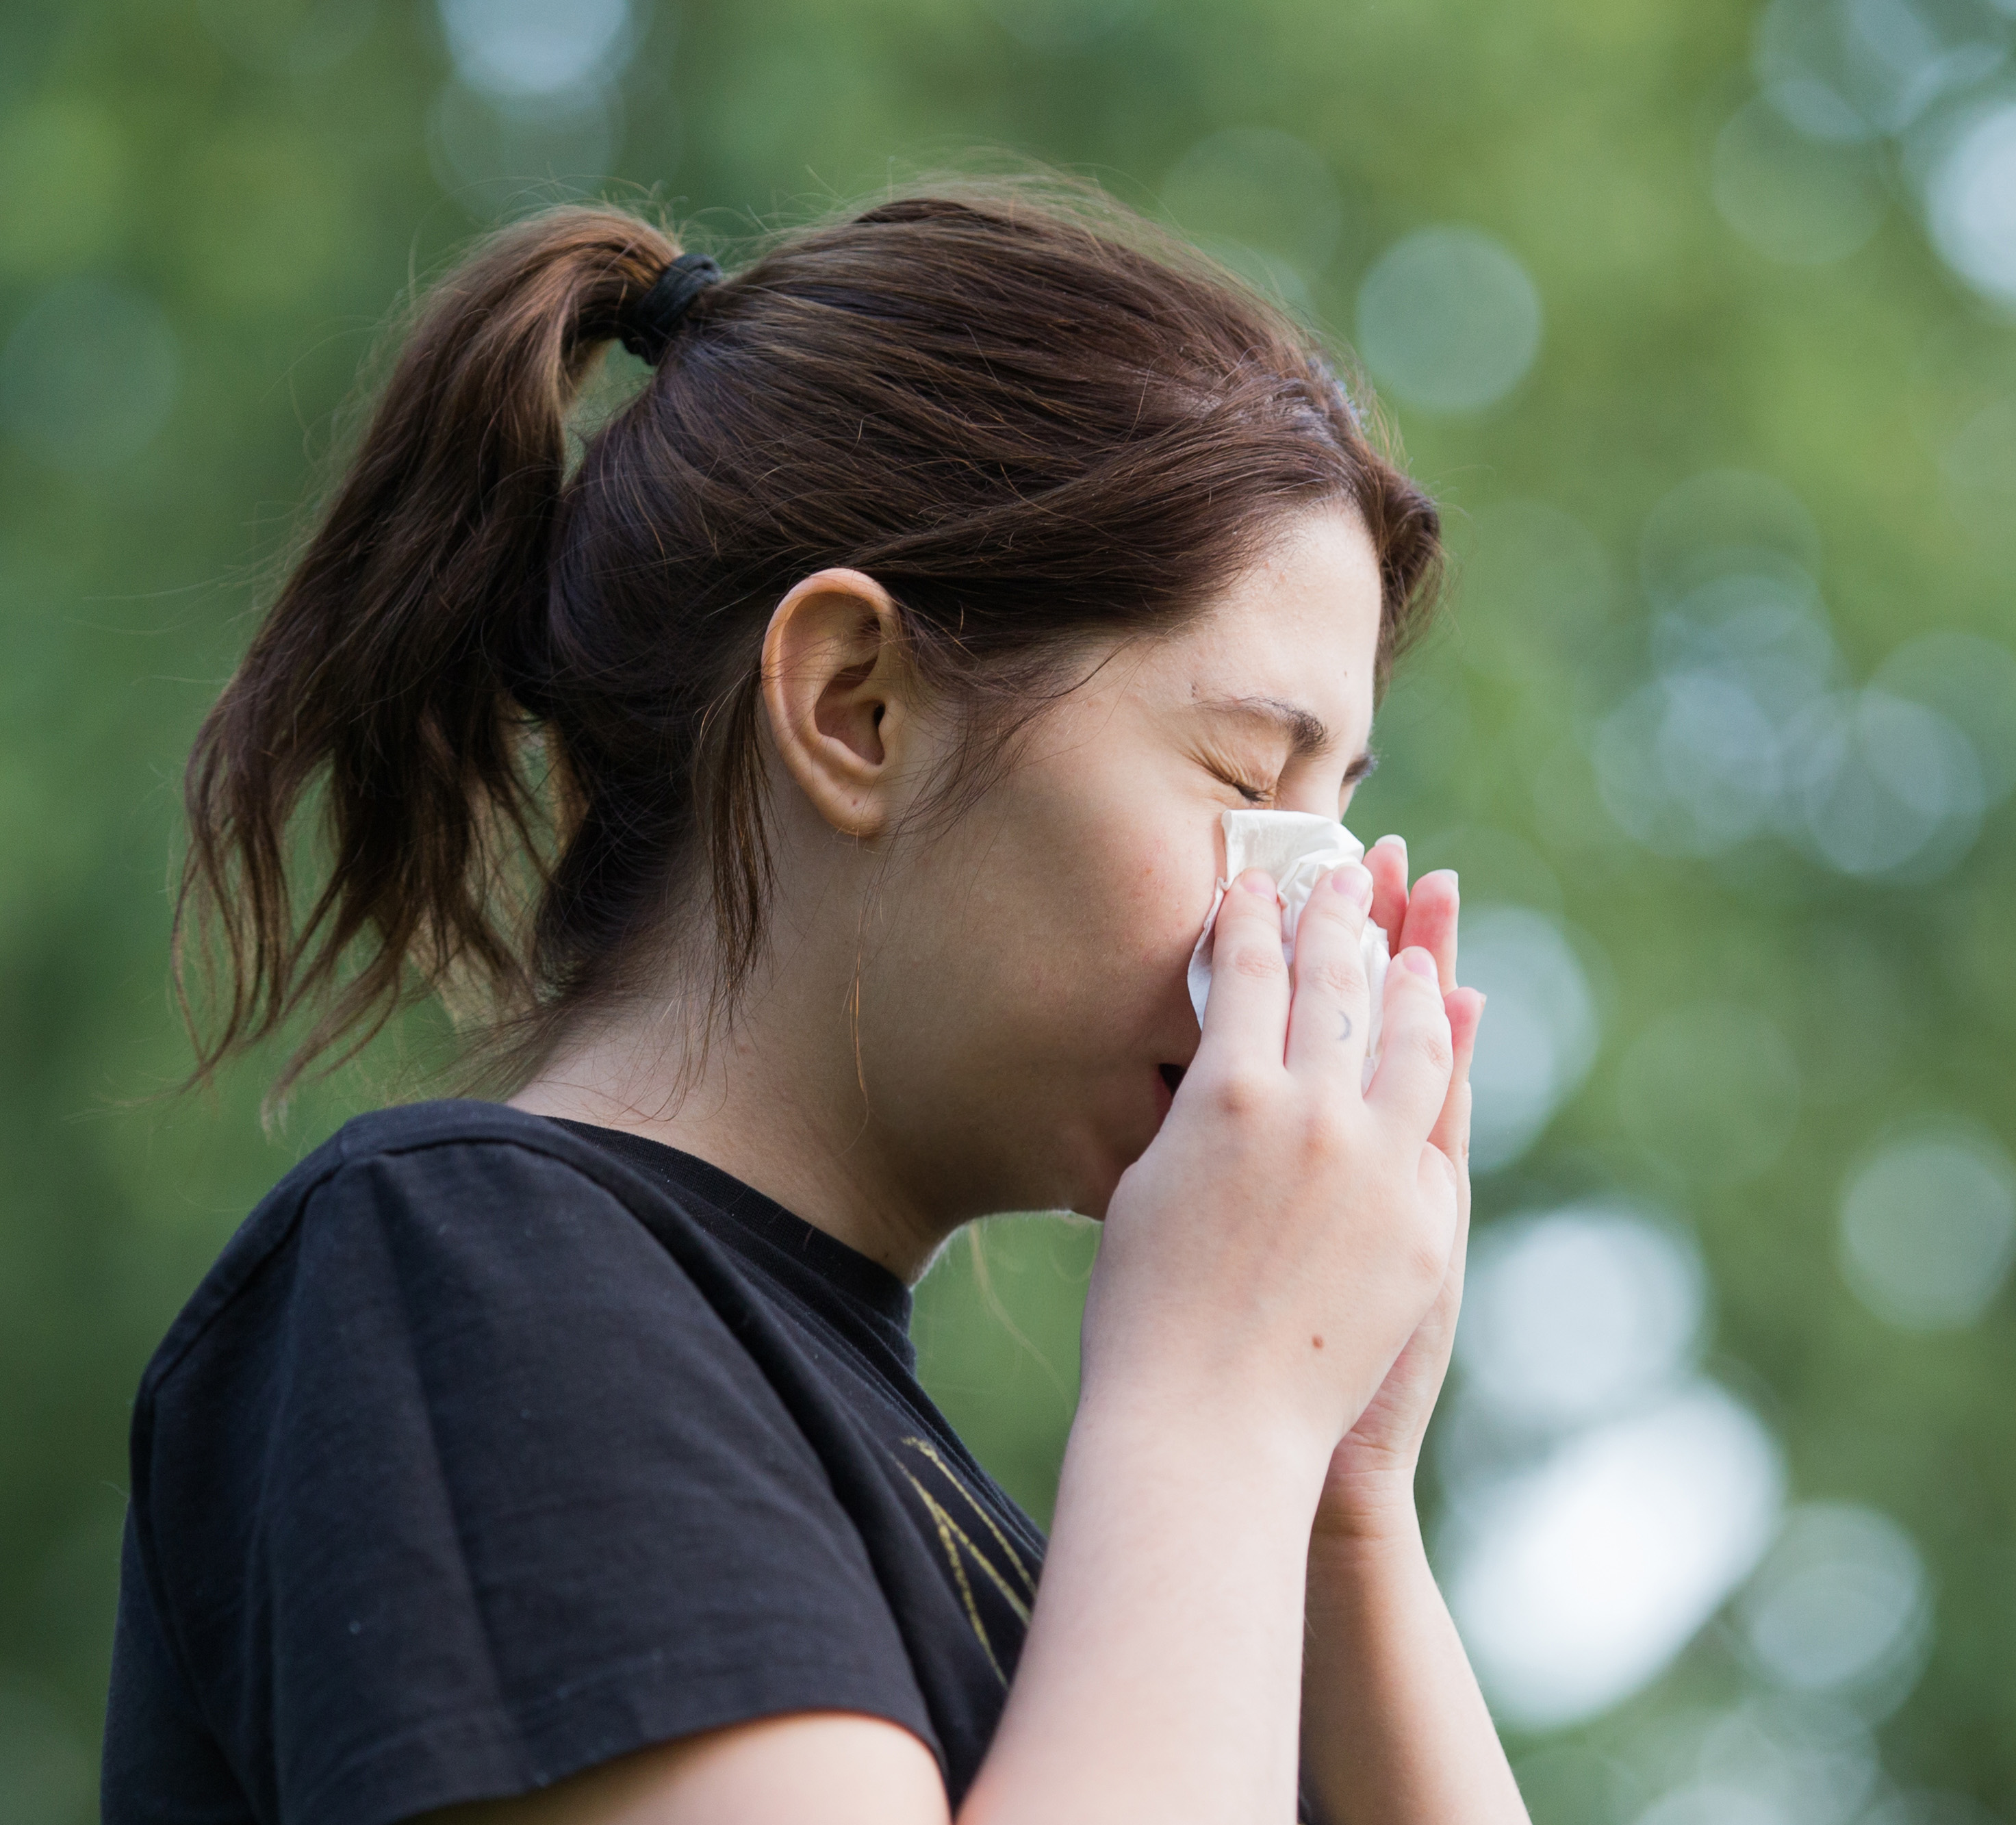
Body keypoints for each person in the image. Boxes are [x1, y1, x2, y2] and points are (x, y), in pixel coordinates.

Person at [106, 181, 1524, 1825]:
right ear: (854, 706)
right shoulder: (464, 1268)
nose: (1317, 922)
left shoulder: (1064, 1532)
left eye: (1336, 824)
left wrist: (1341, 1491)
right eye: (1239, 777)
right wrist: (1217, 1411)